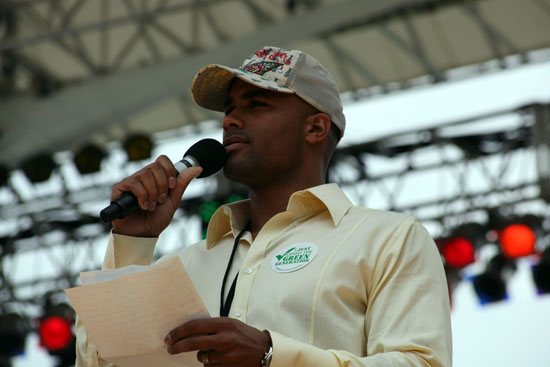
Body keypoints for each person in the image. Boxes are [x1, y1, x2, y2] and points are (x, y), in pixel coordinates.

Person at [75, 46, 452, 367]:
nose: (230, 120)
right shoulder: (185, 265)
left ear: (315, 129)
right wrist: (132, 242)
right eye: (229, 108)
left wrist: (272, 355)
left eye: (256, 104)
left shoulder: (387, 239)